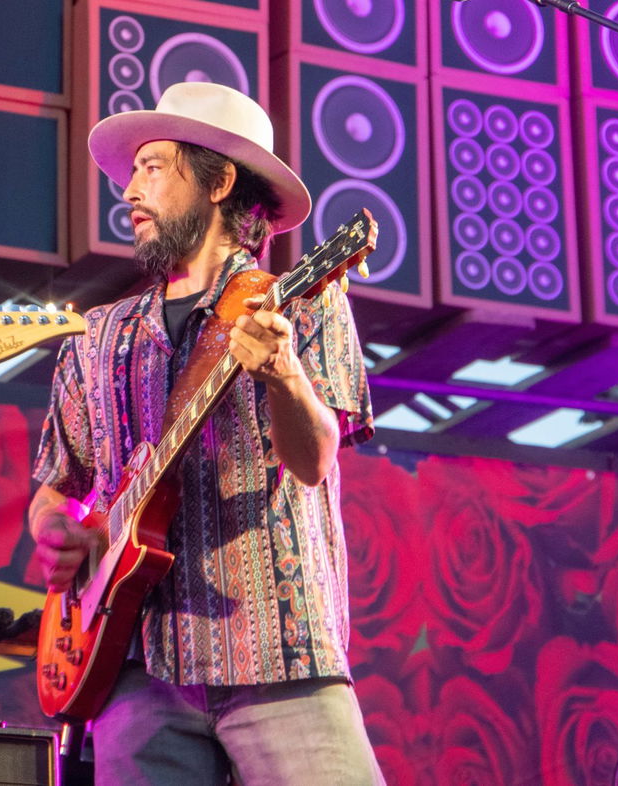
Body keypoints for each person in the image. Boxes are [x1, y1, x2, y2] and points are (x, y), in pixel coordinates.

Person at [29, 82, 385, 785]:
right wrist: (56, 530)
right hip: (136, 667)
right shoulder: (95, 339)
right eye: (133, 171)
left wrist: (282, 373)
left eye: (153, 167)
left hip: (280, 653)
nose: (129, 190)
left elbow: (315, 461)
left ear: (218, 182)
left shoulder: (303, 304)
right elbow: (54, 488)